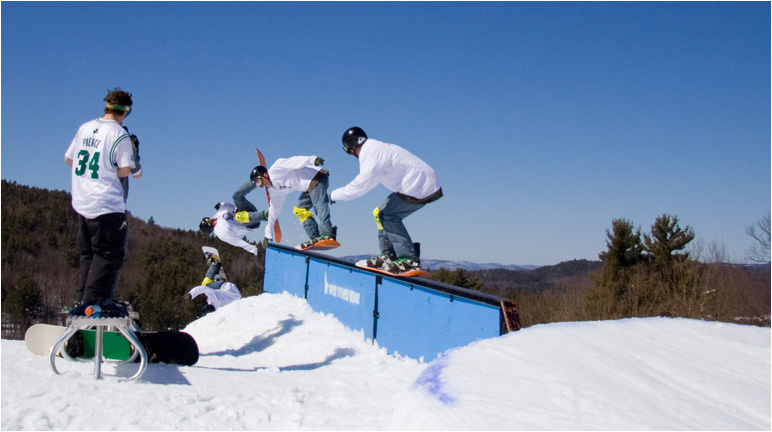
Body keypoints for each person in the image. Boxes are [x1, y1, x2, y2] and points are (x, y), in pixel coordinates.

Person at [330, 126, 442, 273]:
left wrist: (334, 195)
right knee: (381, 212)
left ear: (352, 145)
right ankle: (388, 255)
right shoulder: (376, 148)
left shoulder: (370, 153)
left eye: (349, 151)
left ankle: (409, 260)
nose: (352, 155)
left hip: (420, 185)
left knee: (388, 215)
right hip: (420, 183)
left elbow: (362, 185)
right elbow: (373, 180)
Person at [64, 88, 137, 311]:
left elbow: (69, 159)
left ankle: (81, 302)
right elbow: (125, 170)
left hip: (82, 202)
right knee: (108, 256)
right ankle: (94, 306)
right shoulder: (119, 134)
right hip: (106, 205)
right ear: (125, 111)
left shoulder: (84, 128)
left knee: (88, 254)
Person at [250, 155, 338, 250]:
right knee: (299, 209)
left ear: (264, 174)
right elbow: (274, 210)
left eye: (259, 182)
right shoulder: (273, 190)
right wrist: (268, 233)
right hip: (307, 187)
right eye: (258, 185)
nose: (262, 185)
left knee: (319, 204)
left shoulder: (277, 168)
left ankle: (327, 234)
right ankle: (316, 237)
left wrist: (312, 160)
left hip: (316, 177)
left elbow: (294, 161)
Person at [199, 182, 269, 255]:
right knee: (240, 216)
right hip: (250, 224)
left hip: (248, 211)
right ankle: (265, 215)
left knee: (236, 196)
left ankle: (257, 182)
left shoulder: (217, 215)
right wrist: (253, 249)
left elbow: (232, 207)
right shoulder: (221, 232)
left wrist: (222, 205)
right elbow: (237, 241)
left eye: (207, 218)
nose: (210, 218)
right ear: (209, 225)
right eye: (208, 220)